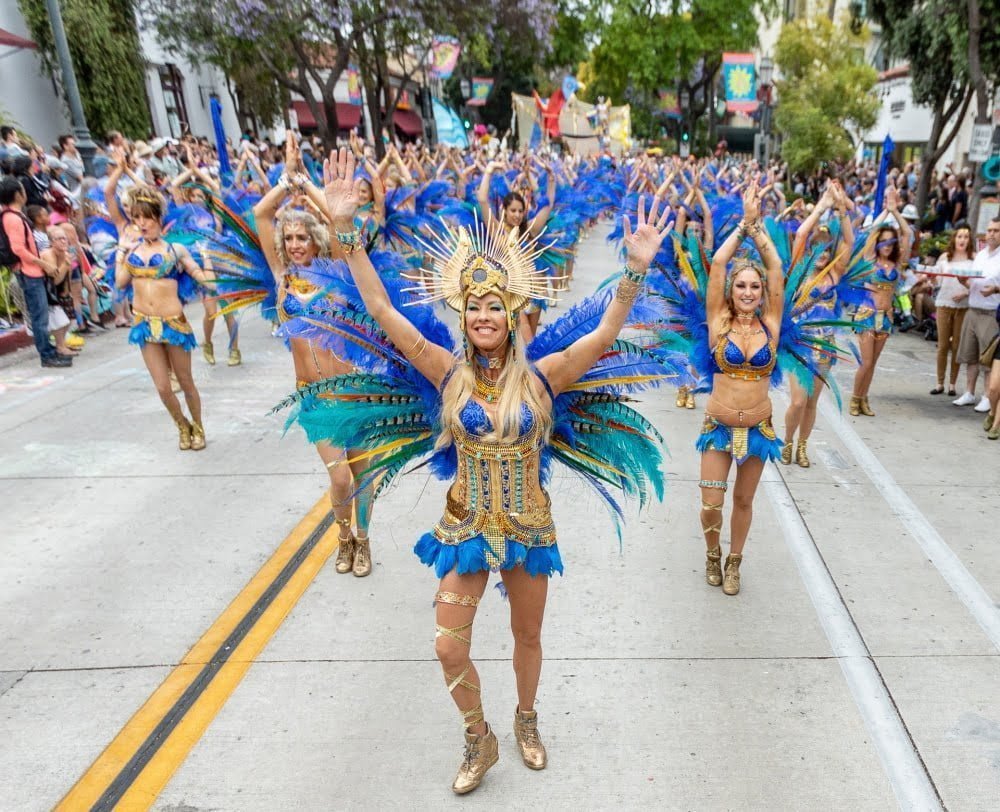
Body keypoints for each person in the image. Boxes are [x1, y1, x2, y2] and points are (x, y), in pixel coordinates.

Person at [322, 147, 671, 794]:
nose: (483, 315)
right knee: (447, 645)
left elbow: (601, 341)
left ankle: (527, 718)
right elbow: (383, 314)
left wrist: (632, 275)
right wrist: (348, 237)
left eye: (494, 306)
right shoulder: (446, 372)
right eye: (473, 306)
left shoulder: (543, 379)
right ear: (463, 314)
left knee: (526, 636)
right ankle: (479, 737)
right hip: (465, 527)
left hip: (529, 526)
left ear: (512, 315)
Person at [252, 134, 375, 577]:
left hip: (356, 392)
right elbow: (261, 214)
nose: (296, 242)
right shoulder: (282, 277)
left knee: (364, 476)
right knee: (340, 476)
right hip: (314, 394)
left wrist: (311, 187)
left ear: (317, 239)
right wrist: (290, 182)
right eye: (290, 237)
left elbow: (339, 217)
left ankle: (362, 541)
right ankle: (343, 536)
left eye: (303, 235)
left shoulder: (338, 271)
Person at [698, 181, 783, 595]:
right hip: (718, 424)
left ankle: (734, 562)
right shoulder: (718, 321)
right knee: (711, 503)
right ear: (730, 291)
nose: (748, 292)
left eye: (754, 287)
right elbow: (717, 263)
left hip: (758, 431)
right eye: (741, 286)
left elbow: (776, 268)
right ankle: (713, 551)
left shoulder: (772, 325)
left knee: (744, 502)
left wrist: (759, 230)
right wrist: (743, 226)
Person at [111, 169, 213, 450]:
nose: (141, 224)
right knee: (162, 387)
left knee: (186, 382)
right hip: (145, 324)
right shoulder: (131, 252)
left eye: (146, 217)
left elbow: (204, 281)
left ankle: (199, 426)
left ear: (158, 218)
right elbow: (120, 283)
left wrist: (206, 260)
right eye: (136, 218)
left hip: (174, 323)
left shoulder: (176, 249)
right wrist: (121, 252)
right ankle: (182, 425)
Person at [781, 182, 854, 467]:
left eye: (826, 249)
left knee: (812, 402)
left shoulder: (835, 272)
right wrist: (822, 206)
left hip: (826, 346)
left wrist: (841, 209)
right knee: (798, 401)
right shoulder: (800, 271)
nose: (822, 254)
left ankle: (802, 446)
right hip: (800, 345)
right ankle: (788, 442)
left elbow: (848, 242)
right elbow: (800, 234)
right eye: (817, 248)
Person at [850, 187, 912, 416]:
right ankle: (855, 399)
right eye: (883, 241)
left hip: (886, 317)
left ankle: (864, 399)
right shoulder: (869, 259)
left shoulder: (896, 264)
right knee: (865, 363)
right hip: (867, 315)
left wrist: (896, 212)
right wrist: (886, 212)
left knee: (873, 363)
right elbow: (871, 232)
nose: (887, 245)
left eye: (890, 242)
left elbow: (907, 233)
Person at [0, 177, 69, 367]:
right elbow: (18, 249)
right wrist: (43, 263)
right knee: (39, 316)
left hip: (32, 270)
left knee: (42, 314)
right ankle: (47, 355)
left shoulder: (15, 215)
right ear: (17, 194)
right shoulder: (12, 218)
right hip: (28, 271)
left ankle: (50, 351)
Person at [953, 217, 1000, 412]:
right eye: (989, 230)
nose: (991, 234)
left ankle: (988, 396)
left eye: (996, 231)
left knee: (987, 358)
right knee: (969, 354)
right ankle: (969, 392)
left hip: (990, 312)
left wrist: (996, 289)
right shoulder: (980, 255)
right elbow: (973, 282)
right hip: (972, 309)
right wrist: (963, 283)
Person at [928, 225, 973, 396]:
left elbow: (976, 285)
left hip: (963, 306)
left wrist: (965, 292)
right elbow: (937, 282)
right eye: (960, 236)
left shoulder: (972, 260)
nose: (962, 240)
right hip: (944, 303)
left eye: (966, 237)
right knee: (943, 345)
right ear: (954, 239)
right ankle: (939, 382)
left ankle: (952, 384)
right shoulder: (944, 258)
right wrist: (931, 281)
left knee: (956, 345)